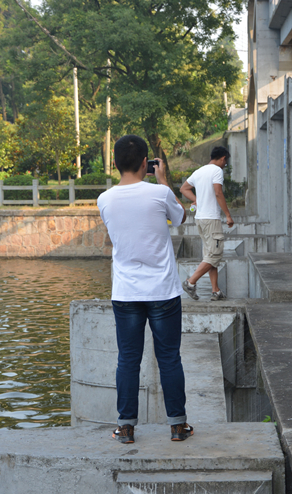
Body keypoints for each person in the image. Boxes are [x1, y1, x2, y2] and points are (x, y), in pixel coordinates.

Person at [97, 134, 194, 444]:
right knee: (169, 358)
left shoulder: (104, 199)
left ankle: (126, 427)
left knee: (128, 359)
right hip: (163, 290)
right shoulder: (159, 193)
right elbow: (180, 217)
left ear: (115, 163)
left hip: (126, 292)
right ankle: (177, 426)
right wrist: (163, 180)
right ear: (145, 163)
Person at [179, 146, 235, 301]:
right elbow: (218, 192)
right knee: (214, 254)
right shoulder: (217, 171)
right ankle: (190, 282)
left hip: (200, 219)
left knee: (210, 255)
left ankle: (215, 291)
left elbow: (184, 188)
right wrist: (228, 215)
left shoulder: (199, 171)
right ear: (223, 158)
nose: (225, 165)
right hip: (211, 219)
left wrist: (197, 200)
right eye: (225, 162)